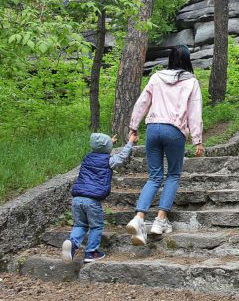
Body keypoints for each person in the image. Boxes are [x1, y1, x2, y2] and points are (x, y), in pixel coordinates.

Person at [126, 45, 204, 246]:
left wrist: (133, 126)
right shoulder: (191, 82)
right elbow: (195, 111)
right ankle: (160, 220)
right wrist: (197, 139)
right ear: (187, 60)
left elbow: (142, 102)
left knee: (154, 176)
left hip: (153, 128)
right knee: (174, 174)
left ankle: (139, 218)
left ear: (170, 59)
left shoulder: (156, 77)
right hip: (174, 130)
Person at [61, 132, 137, 263]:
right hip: (92, 200)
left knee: (80, 224)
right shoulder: (109, 160)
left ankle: (72, 243)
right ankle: (91, 252)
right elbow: (122, 156)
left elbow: (99, 150)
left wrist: (108, 144)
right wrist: (130, 142)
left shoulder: (87, 158)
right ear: (107, 148)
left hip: (77, 198)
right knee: (96, 226)